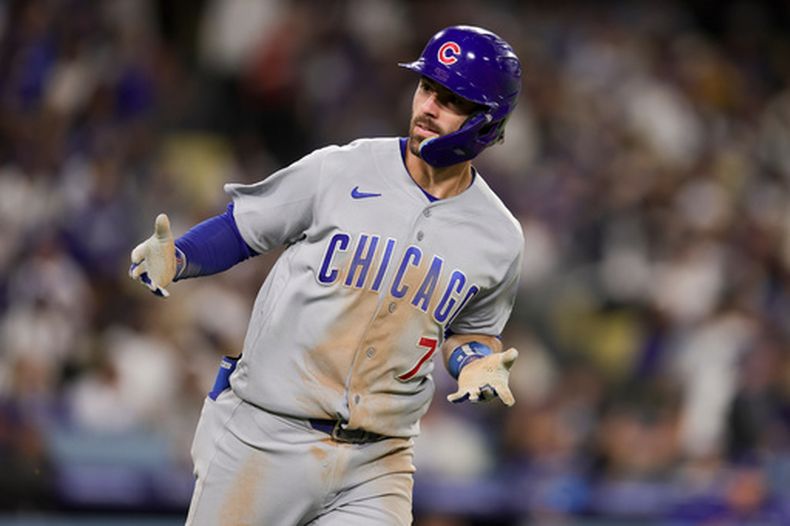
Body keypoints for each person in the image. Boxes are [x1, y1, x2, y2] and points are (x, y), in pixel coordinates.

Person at [129, 25, 524, 526]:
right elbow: (244, 227)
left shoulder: (499, 237)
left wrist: (475, 363)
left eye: (451, 100)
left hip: (379, 460)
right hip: (268, 433)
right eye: (427, 88)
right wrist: (180, 257)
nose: (428, 106)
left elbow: (473, 330)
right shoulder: (343, 168)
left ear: (487, 122)